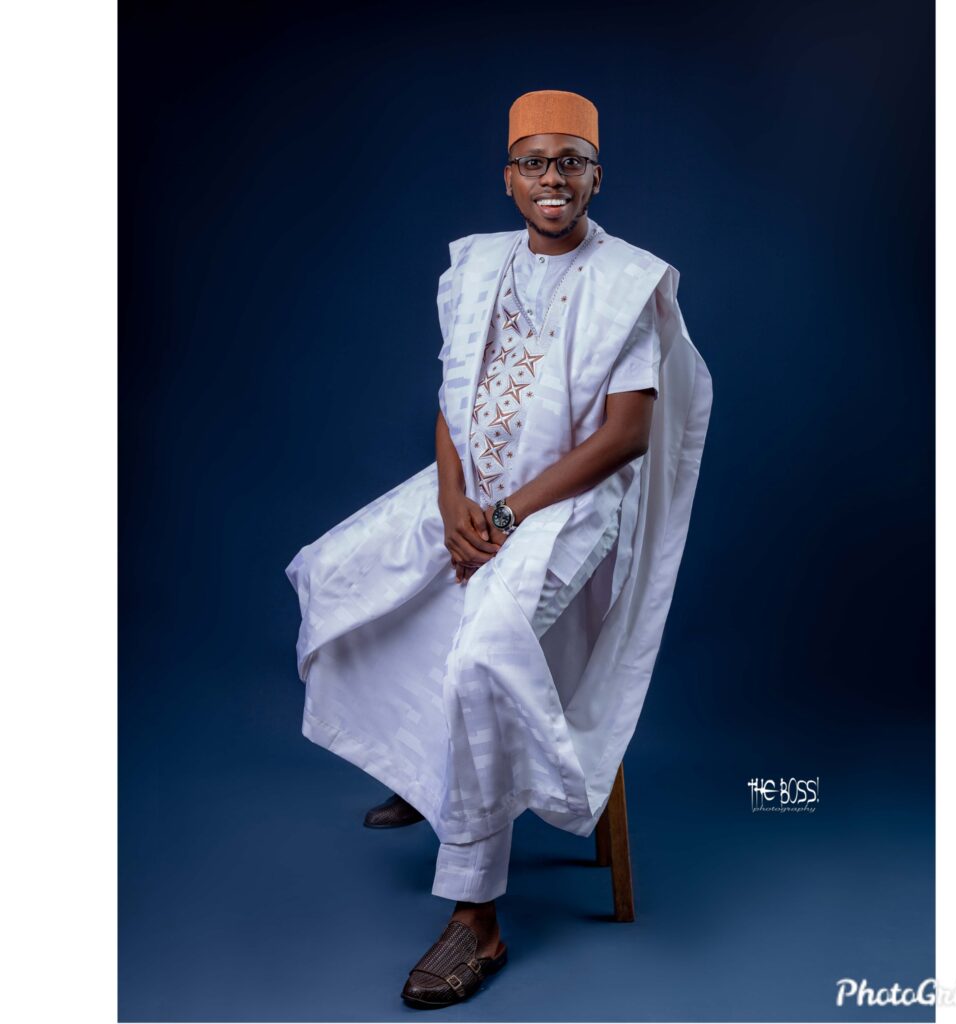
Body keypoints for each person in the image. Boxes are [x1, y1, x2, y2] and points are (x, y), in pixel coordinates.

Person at [285, 89, 713, 1009]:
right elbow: (453, 396)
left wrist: (507, 515)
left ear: (597, 176)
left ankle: (476, 918)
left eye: (571, 163)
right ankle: (429, 770)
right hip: (473, 489)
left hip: (567, 506)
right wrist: (452, 500)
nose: (552, 178)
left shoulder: (627, 282)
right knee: (337, 571)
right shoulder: (476, 266)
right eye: (534, 162)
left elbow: (627, 435)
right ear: (508, 177)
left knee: (483, 654)